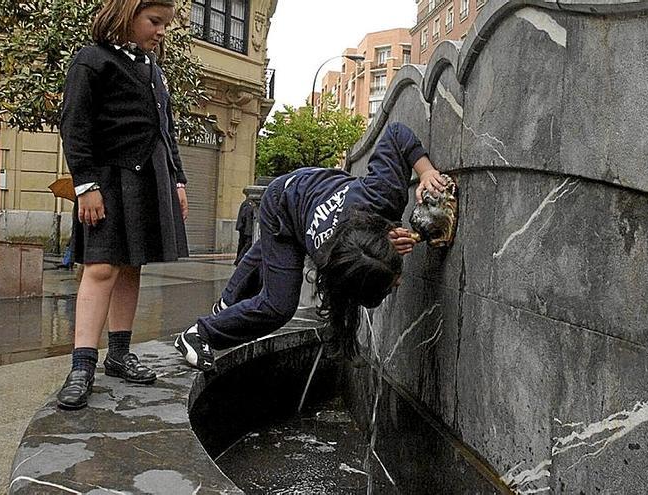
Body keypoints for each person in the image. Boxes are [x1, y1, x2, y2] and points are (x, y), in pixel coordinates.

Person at [176, 122, 446, 370]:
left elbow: (396, 133)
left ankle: (226, 304)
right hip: (282, 201)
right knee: (277, 304)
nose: (398, 283)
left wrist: (425, 171)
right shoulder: (330, 251)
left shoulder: (383, 193)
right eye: (389, 285)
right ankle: (199, 334)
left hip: (311, 197)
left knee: (266, 255)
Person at [56, 0, 190, 410]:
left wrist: (177, 178)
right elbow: (74, 125)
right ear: (124, 15)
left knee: (132, 265)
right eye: (154, 21)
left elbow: (165, 130)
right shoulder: (92, 61)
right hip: (107, 179)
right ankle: (82, 366)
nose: (162, 31)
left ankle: (118, 353)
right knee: (100, 268)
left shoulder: (154, 71)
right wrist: (86, 185)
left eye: (166, 24)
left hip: (147, 178)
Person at [233, 197, 255, 265]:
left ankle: (238, 260)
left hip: (244, 228)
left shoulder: (247, 203)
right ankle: (239, 260)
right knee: (247, 244)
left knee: (242, 245)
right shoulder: (249, 204)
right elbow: (245, 216)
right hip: (246, 228)